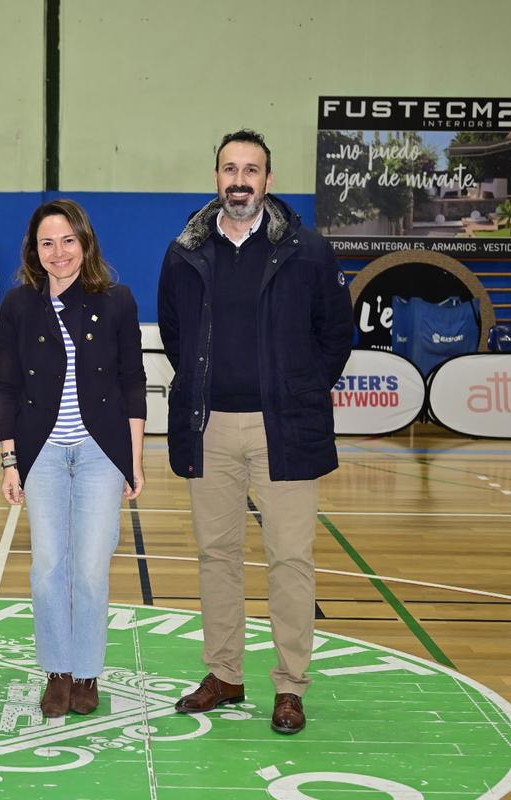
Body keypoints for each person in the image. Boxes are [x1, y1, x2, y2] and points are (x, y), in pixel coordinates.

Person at [157, 129, 353, 735]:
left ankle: (290, 686)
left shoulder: (308, 250)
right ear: (216, 178)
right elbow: (174, 335)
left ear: (268, 180)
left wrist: (295, 390)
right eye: (229, 169)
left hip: (285, 430)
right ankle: (225, 673)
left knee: (290, 557)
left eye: (251, 170)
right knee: (217, 557)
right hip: (208, 426)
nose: (239, 180)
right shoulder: (184, 251)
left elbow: (335, 335)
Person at [0, 199, 146, 717]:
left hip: (101, 453)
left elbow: (133, 383)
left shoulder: (118, 300)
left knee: (89, 569)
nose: (58, 252)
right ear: (34, 251)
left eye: (67, 241)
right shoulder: (17, 305)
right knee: (47, 567)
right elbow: (8, 387)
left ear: (85, 243)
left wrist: (135, 460)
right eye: (47, 243)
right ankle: (57, 671)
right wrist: (10, 460)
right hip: (42, 455)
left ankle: (87, 673)